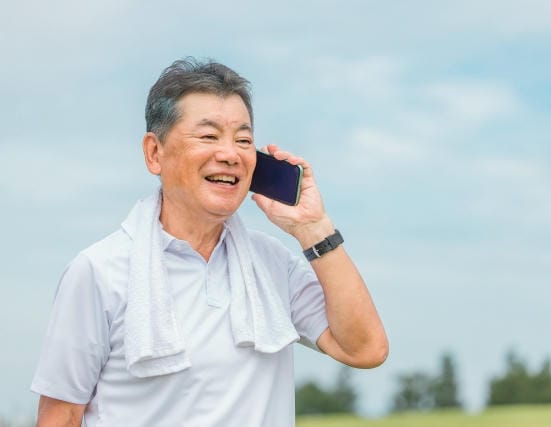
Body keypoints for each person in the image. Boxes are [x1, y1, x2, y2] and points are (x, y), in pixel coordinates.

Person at [31, 58, 388, 427]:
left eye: (244, 140)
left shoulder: (271, 263)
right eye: (208, 136)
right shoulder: (99, 271)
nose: (230, 154)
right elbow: (61, 415)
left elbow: (365, 349)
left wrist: (313, 228)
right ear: (155, 153)